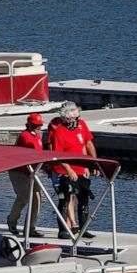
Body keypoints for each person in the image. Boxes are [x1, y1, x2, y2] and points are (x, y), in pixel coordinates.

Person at [47, 102, 97, 239]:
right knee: (65, 199)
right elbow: (58, 155)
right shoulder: (58, 133)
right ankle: (63, 230)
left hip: (81, 169)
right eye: (68, 119)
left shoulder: (82, 125)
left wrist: (91, 164)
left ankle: (83, 228)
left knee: (83, 199)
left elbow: (86, 145)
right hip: (64, 171)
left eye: (74, 118)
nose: (71, 121)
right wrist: (68, 170)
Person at [7, 113, 45, 237]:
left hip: (32, 171)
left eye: (40, 125)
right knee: (24, 197)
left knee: (37, 198)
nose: (38, 127)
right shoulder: (25, 136)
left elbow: (40, 155)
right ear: (29, 125)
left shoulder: (37, 135)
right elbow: (33, 154)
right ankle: (12, 221)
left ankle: (30, 227)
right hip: (18, 171)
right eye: (35, 125)